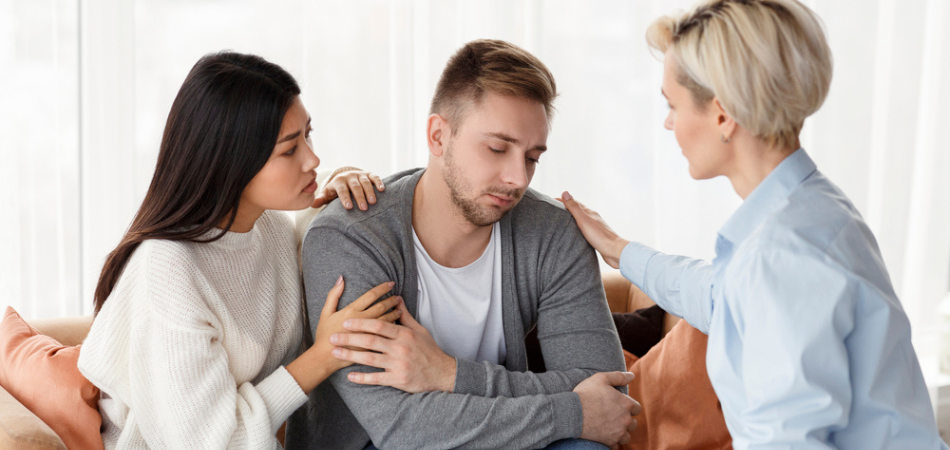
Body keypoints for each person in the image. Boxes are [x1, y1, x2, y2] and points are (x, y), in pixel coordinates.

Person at [557, 1, 948, 448]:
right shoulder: (812, 211)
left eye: (673, 105)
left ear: (722, 115)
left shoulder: (778, 255)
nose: (668, 123)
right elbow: (720, 296)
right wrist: (619, 248)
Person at [286, 39, 639, 450]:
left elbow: (607, 396)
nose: (518, 178)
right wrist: (570, 411)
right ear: (438, 136)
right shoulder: (351, 238)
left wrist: (449, 374)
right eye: (497, 148)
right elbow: (399, 426)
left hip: (495, 433)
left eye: (532, 156)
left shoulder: (554, 233)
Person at [77, 52, 395, 449]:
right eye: (290, 149)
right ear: (232, 160)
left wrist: (342, 184)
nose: (313, 159)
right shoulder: (168, 268)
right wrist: (323, 356)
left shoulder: (272, 229)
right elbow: (211, 443)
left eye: (308, 135)